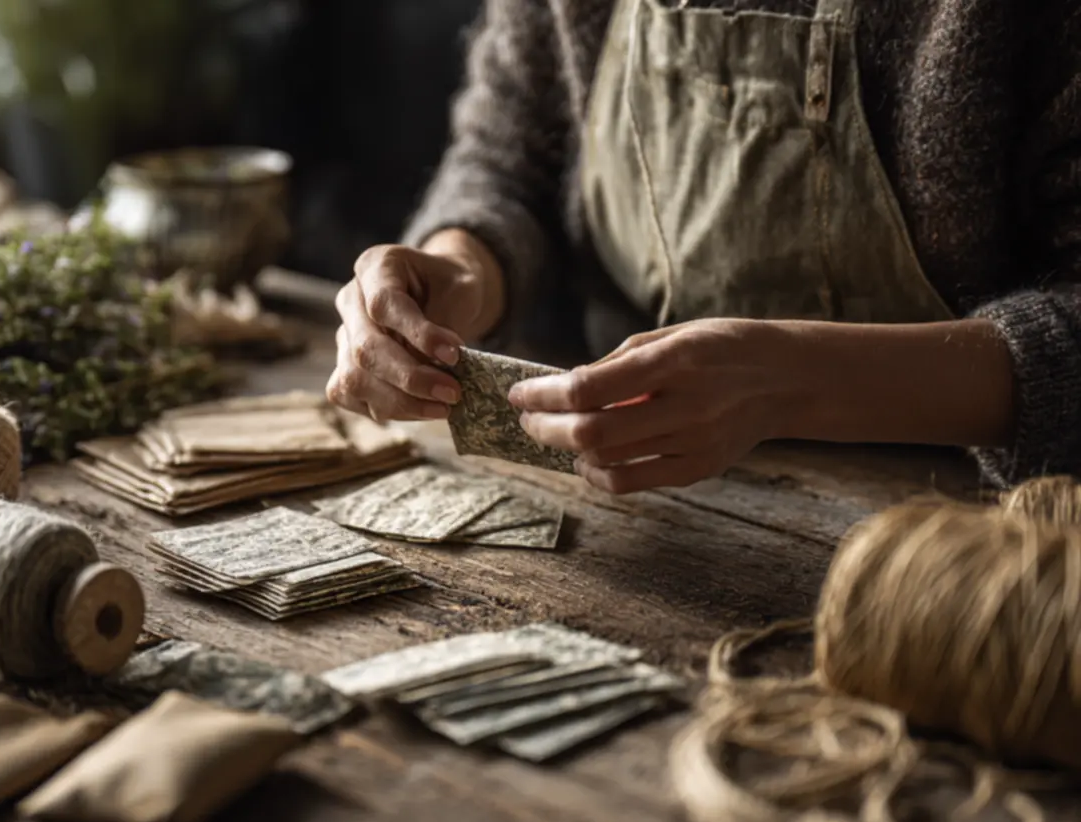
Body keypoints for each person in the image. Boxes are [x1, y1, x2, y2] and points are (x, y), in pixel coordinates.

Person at [324, 0, 1081, 494]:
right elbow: (507, 156)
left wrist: (791, 380)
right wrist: (460, 269)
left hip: (975, 555)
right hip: (628, 516)